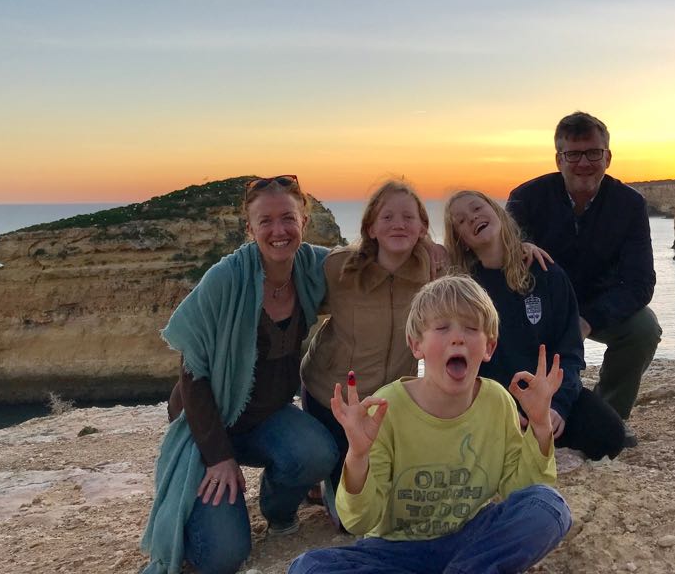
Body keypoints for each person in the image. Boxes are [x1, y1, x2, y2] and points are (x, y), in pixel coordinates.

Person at [288, 275, 572, 574]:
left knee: (549, 506)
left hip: (471, 539)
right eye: (442, 327)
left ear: (489, 346)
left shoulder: (497, 401)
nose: (457, 338)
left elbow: (522, 489)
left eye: (471, 328)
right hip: (395, 550)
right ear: (416, 345)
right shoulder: (387, 407)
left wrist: (539, 424)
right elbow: (359, 521)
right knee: (308, 567)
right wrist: (358, 456)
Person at [140, 175, 338, 574]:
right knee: (223, 557)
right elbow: (192, 372)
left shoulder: (313, 266)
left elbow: (367, 262)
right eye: (266, 221)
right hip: (208, 424)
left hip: (266, 417)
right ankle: (204, 510)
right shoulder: (226, 279)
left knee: (318, 453)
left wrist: (427, 250)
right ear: (249, 228)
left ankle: (278, 511)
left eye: (288, 218)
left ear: (304, 221)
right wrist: (218, 457)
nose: (279, 230)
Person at [507, 111, 661, 441]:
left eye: (593, 153)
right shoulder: (526, 198)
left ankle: (611, 414)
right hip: (540, 307)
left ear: (608, 157)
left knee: (644, 329)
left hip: (599, 305)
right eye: (573, 155)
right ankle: (516, 416)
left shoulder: (630, 204)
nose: (584, 163)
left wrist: (588, 319)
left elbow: (640, 282)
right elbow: (503, 259)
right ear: (558, 159)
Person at [445, 189, 626, 460]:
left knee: (609, 435)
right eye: (460, 220)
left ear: (498, 213)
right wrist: (496, 410)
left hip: (548, 395)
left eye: (477, 208)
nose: (472, 218)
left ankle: (541, 437)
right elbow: (459, 362)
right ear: (462, 240)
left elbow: (569, 350)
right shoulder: (464, 290)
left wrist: (558, 407)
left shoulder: (546, 273)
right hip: (495, 401)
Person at [300, 180, 433, 518]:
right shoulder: (339, 267)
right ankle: (309, 480)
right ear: (371, 228)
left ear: (422, 228)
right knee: (350, 518)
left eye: (408, 217)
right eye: (387, 217)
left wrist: (521, 248)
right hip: (331, 398)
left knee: (393, 504)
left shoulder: (433, 272)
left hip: (387, 406)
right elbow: (290, 273)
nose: (398, 224)